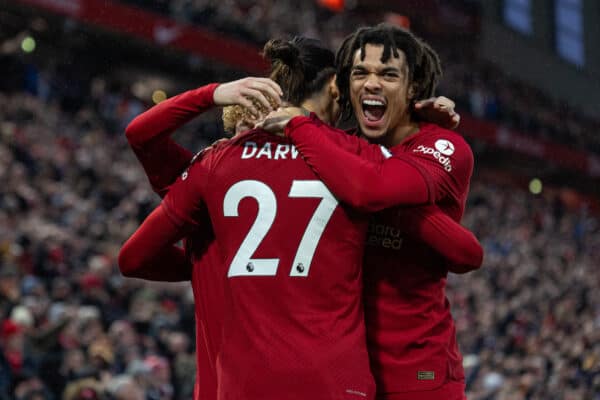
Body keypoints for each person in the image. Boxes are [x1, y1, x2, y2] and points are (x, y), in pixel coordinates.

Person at [119, 36, 380, 400]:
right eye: (244, 129)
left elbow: (133, 255)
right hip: (333, 377)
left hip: (238, 383)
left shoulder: (214, 168)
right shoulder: (353, 163)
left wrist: (211, 95)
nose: (255, 134)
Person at [261, 24, 479, 399]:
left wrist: (301, 125)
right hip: (343, 373)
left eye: (389, 74)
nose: (372, 83)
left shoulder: (444, 144)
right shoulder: (342, 147)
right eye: (360, 73)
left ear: (413, 88)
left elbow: (373, 189)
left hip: (419, 373)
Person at [122, 75, 283, 400]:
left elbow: (134, 258)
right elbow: (139, 134)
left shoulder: (210, 176)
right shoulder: (205, 176)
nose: (250, 143)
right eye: (243, 129)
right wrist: (213, 94)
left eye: (262, 133)